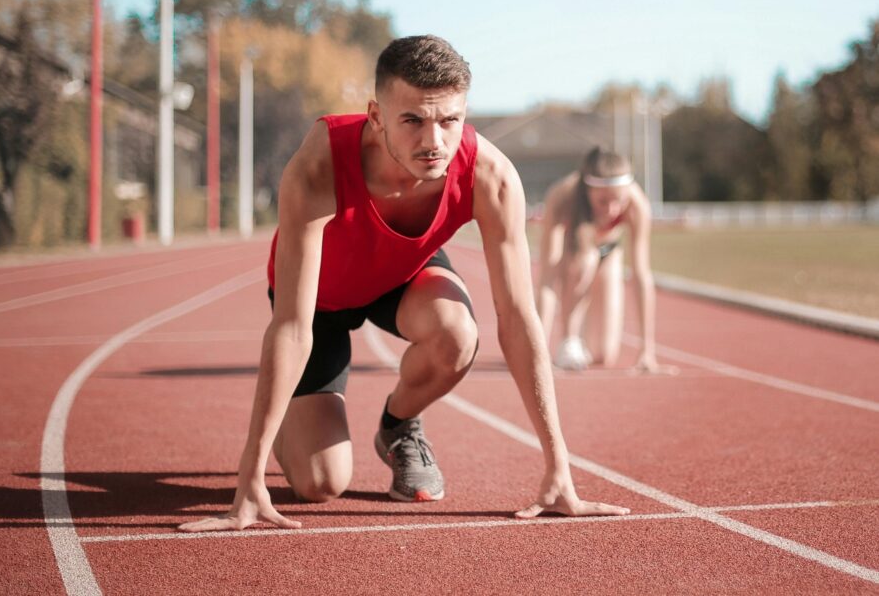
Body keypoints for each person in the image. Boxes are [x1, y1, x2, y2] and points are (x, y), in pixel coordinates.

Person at [179, 36, 628, 533]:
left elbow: (519, 319)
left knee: (458, 333)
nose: (433, 141)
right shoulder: (319, 163)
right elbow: (291, 325)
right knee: (320, 485)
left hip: (401, 277)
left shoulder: (490, 176)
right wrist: (250, 478)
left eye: (449, 120)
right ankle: (289, 416)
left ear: (464, 113)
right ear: (376, 116)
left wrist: (558, 468)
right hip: (320, 300)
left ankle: (398, 426)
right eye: (412, 120)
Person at [535, 148, 671, 373]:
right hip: (574, 255)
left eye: (618, 200)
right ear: (587, 192)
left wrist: (647, 350)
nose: (611, 209)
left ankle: (585, 340)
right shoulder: (562, 197)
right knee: (586, 261)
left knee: (603, 355)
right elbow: (547, 278)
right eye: (602, 201)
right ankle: (569, 340)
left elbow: (641, 275)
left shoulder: (637, 205)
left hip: (609, 252)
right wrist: (537, 350)